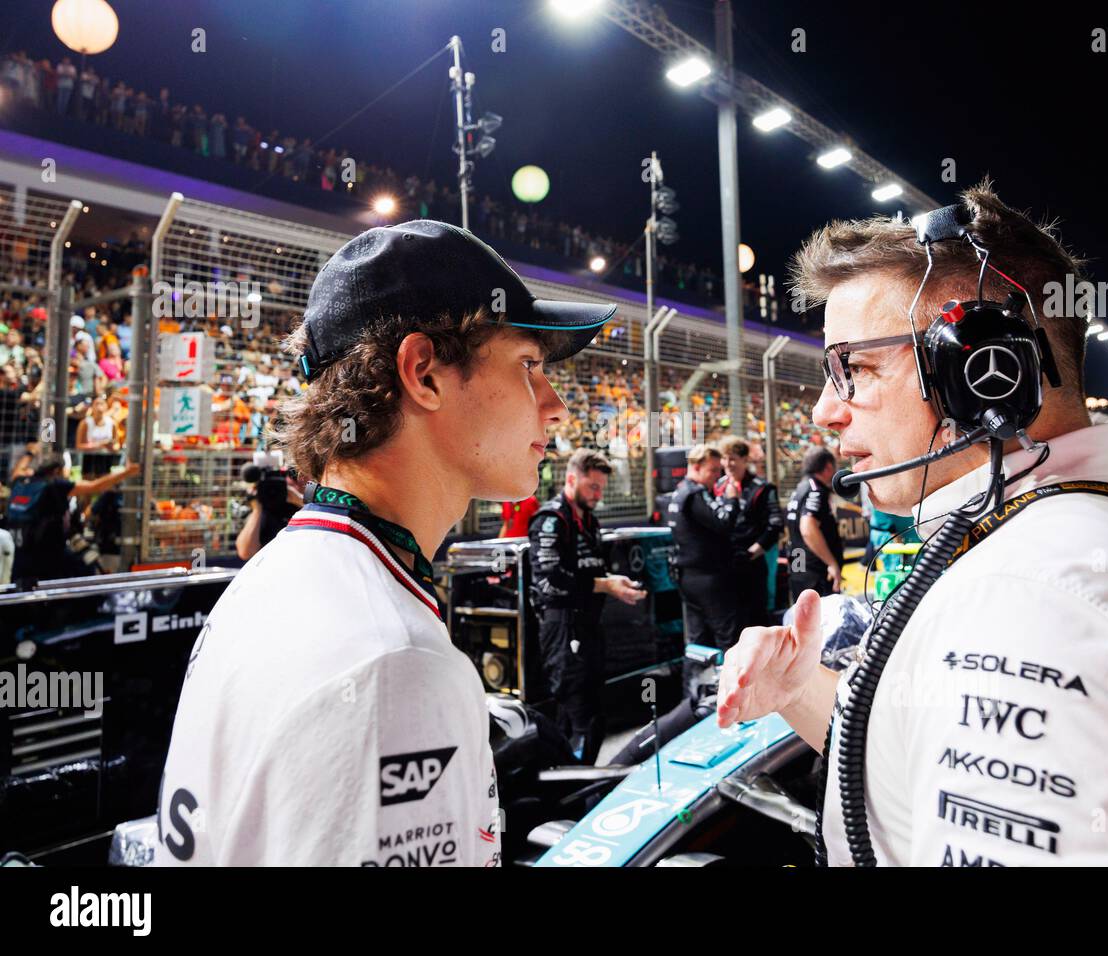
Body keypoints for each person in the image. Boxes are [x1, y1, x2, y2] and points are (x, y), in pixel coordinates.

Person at [717, 183, 1108, 866]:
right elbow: (932, 770)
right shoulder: (1079, 533)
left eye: (855, 369)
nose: (826, 413)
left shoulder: (1030, 596)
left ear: (987, 374)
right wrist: (799, 689)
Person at [156, 220, 616, 865]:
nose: (555, 404)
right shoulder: (389, 661)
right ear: (423, 373)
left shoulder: (285, 573)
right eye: (530, 366)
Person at [528, 449, 645, 764]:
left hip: (589, 627)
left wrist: (612, 581)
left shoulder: (590, 521)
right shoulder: (550, 520)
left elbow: (589, 572)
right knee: (580, 717)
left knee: (591, 714)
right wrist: (604, 585)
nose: (598, 495)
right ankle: (575, 793)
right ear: (571, 479)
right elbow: (549, 580)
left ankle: (573, 787)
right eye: (592, 487)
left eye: (601, 489)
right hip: (562, 627)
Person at [5, 453, 139, 583]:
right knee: (82, 571)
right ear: (57, 470)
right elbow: (95, 486)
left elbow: (17, 470)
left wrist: (29, 453)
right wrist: (127, 472)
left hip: (19, 555)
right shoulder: (56, 486)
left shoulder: (19, 482)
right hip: (47, 556)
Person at [667, 443, 741, 650]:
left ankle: (696, 681)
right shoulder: (695, 493)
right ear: (697, 467)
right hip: (707, 577)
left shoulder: (680, 491)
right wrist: (732, 499)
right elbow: (724, 523)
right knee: (727, 635)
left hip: (688, 575)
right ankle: (729, 681)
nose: (717, 476)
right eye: (713, 470)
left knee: (698, 638)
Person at [715, 437, 783, 627]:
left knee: (756, 617)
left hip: (751, 562)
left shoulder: (762, 488)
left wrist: (754, 551)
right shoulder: (716, 486)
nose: (728, 464)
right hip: (724, 564)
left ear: (745, 460)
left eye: (733, 459)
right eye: (724, 458)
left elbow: (776, 525)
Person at [786, 447, 844, 598]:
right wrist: (832, 563)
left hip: (799, 567)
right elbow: (807, 528)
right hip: (815, 572)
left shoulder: (799, 488)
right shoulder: (816, 490)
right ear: (828, 467)